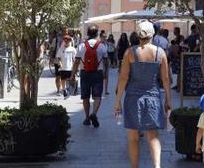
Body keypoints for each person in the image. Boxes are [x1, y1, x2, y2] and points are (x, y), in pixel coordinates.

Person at [114, 21, 172, 168]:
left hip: (133, 98)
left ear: (138, 34)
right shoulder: (160, 53)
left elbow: (123, 78)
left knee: (133, 137)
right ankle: (157, 166)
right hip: (153, 97)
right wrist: (168, 99)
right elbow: (165, 79)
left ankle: (135, 166)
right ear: (152, 34)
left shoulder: (130, 52)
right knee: (153, 136)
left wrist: (117, 101)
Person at [73, 24, 109, 128]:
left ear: (88, 33)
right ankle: (94, 114)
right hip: (98, 73)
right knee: (97, 96)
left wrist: (73, 74)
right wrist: (106, 73)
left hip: (85, 73)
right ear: (97, 34)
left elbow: (76, 62)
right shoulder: (101, 46)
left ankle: (87, 118)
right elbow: (106, 62)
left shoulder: (82, 45)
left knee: (85, 97)